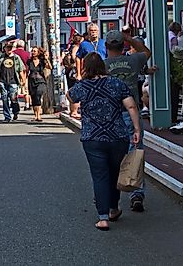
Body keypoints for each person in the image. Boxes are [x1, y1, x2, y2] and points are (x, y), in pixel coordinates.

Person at [67, 53, 141, 231]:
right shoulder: (116, 83)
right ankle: (114, 209)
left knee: (100, 175)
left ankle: (103, 217)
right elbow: (131, 106)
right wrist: (137, 129)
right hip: (117, 136)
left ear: (86, 67)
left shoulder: (83, 86)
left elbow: (70, 97)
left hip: (92, 137)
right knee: (115, 173)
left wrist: (83, 83)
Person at [104, 29, 151, 212]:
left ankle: (110, 193)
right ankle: (136, 192)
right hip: (131, 112)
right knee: (135, 151)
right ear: (123, 45)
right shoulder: (133, 61)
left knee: (110, 153)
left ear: (107, 46)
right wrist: (130, 38)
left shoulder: (103, 64)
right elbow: (146, 52)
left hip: (111, 114)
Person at [0, 42, 26, 122]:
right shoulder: (1, 57)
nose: (9, 49)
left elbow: (21, 69)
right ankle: (7, 116)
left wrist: (23, 80)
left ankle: (15, 112)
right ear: (4, 48)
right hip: (3, 81)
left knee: (13, 98)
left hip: (13, 81)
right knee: (4, 99)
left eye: (10, 48)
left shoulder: (16, 58)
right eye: (7, 48)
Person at [27, 47, 51, 122]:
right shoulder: (29, 61)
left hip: (41, 81)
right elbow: (26, 71)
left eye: (35, 51)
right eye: (32, 51)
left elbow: (50, 67)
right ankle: (36, 115)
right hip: (31, 81)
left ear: (38, 52)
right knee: (33, 97)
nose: (33, 52)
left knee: (38, 94)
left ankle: (39, 115)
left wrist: (47, 59)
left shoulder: (42, 61)